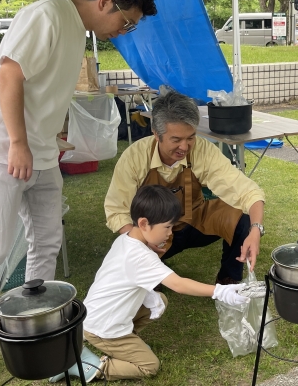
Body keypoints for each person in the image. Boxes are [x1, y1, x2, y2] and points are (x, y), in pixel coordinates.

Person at [0, 0, 157, 385]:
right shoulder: (48, 14)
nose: (123, 31)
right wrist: (19, 142)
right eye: (126, 22)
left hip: (40, 153)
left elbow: (45, 87)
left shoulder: (78, 29)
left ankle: (37, 324)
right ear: (106, 2)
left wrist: (50, 134)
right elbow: (8, 72)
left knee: (46, 241)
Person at [53, 185, 249, 382]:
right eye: (167, 227)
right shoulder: (140, 256)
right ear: (144, 223)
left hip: (93, 316)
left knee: (159, 300)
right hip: (103, 327)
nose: (170, 233)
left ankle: (126, 342)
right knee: (149, 366)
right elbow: (179, 284)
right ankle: (86, 365)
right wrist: (220, 291)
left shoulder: (126, 239)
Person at [104, 91, 265, 286]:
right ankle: (152, 271)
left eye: (191, 137)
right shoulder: (134, 157)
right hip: (155, 234)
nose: (185, 147)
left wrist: (255, 230)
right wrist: (141, 244)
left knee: (243, 218)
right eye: (176, 139)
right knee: (142, 282)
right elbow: (117, 211)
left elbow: (246, 191)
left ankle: (228, 279)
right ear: (156, 134)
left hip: (195, 220)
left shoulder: (202, 150)